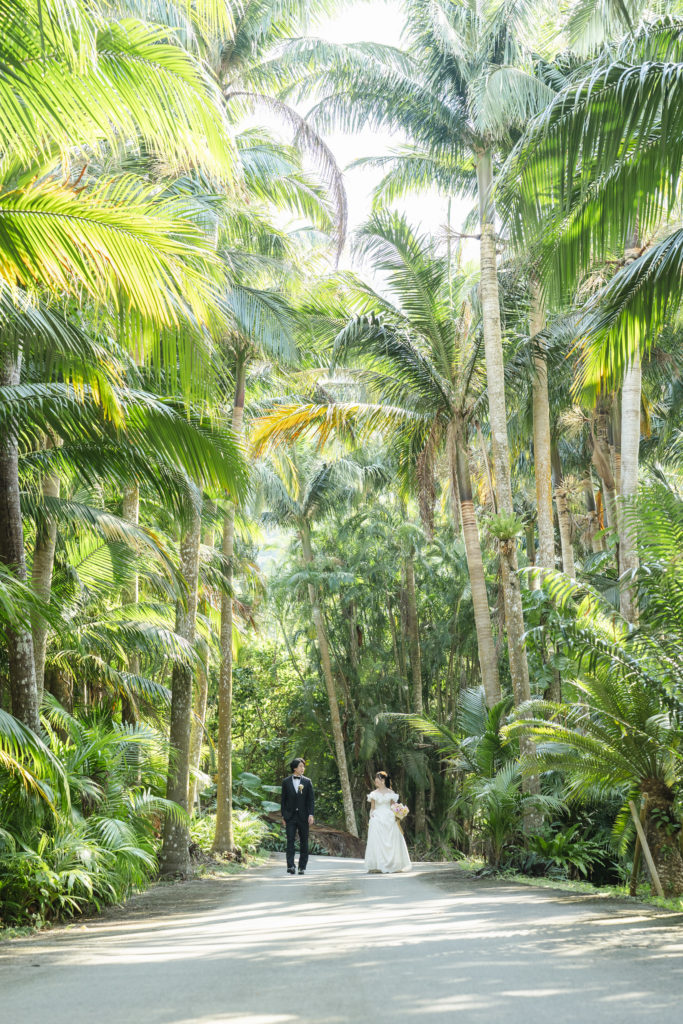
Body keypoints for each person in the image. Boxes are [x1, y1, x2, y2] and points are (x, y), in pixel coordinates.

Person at [364, 770, 411, 874]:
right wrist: (372, 816)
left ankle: (393, 864)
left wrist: (399, 813)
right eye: (375, 779)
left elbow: (393, 807)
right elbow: (372, 808)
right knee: (375, 829)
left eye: (378, 778)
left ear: (383, 780)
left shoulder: (391, 793)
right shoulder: (373, 794)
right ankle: (378, 865)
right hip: (378, 816)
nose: (376, 780)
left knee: (393, 836)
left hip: (389, 816)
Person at [280, 757, 315, 875]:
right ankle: (290, 866)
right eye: (300, 766)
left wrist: (311, 814)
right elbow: (283, 800)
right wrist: (283, 816)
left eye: (303, 766)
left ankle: (302, 867)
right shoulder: (286, 782)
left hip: (303, 816)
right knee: (290, 840)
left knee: (304, 841)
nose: (303, 768)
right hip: (290, 817)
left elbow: (311, 800)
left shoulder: (307, 782)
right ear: (294, 768)